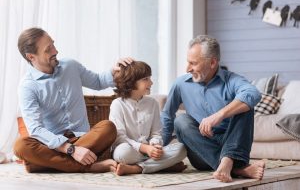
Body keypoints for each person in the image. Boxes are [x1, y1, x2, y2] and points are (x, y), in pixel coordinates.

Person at [14, 27, 133, 173]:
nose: (55, 51)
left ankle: (44, 164)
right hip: (54, 144)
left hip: (85, 139)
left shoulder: (71, 66)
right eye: (48, 49)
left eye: (53, 44)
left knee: (108, 127)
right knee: (20, 146)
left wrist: (115, 71)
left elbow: (98, 81)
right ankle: (89, 167)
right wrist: (71, 150)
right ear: (31, 57)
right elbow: (36, 129)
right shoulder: (27, 86)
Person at [161, 35, 265, 182]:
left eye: (194, 63)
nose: (188, 68)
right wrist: (159, 149)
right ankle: (237, 169)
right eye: (188, 62)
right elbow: (167, 116)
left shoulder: (231, 80)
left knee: (246, 105)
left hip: (233, 146)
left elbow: (253, 94)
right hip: (201, 152)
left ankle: (228, 163)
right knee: (181, 120)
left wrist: (219, 115)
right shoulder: (180, 84)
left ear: (212, 62)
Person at [109, 61, 187, 176]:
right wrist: (144, 148)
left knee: (182, 149)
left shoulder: (152, 103)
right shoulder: (117, 104)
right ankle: (163, 166)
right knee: (122, 153)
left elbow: (156, 133)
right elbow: (119, 138)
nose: (151, 82)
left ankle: (136, 168)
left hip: (148, 152)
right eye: (146, 79)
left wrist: (155, 145)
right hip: (129, 151)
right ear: (131, 82)